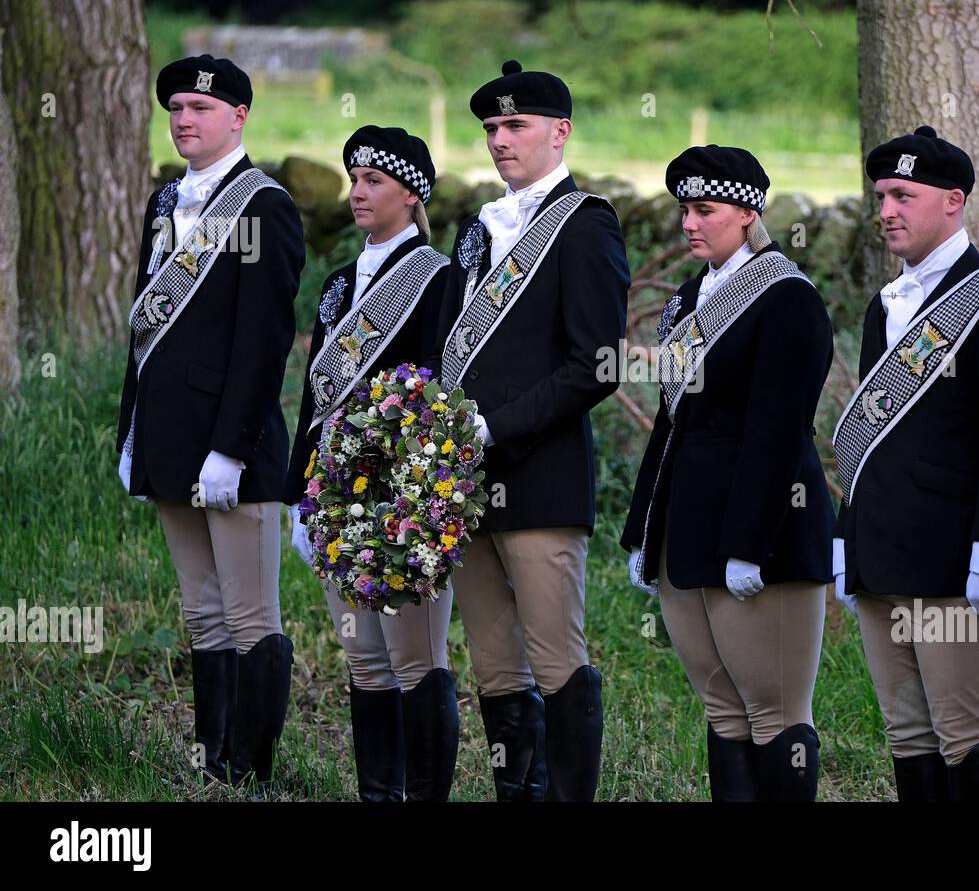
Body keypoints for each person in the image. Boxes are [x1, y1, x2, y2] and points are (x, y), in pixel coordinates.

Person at [427, 60, 630, 801]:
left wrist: (494, 427)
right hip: (467, 481)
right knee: (494, 666)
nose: (500, 141)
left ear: (560, 132)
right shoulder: (480, 228)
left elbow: (597, 364)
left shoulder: (586, 224)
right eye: (490, 128)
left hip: (541, 479)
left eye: (515, 125)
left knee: (554, 662)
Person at [830, 126, 979, 801]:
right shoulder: (885, 306)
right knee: (909, 740)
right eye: (881, 196)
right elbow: (870, 435)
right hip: (879, 555)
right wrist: (846, 536)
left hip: (954, 560)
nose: (886, 210)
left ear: (953, 201)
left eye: (903, 195)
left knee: (967, 742)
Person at [115, 54, 305, 788]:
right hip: (168, 444)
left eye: (200, 107)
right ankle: (213, 762)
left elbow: (264, 344)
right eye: (177, 108)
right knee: (203, 614)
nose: (185, 119)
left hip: (237, 453)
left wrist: (230, 449)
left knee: (252, 619)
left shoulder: (265, 206)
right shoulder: (165, 204)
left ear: (239, 116)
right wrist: (132, 433)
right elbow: (143, 338)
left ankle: (253, 774)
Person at [621, 145, 834, 801]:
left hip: (760, 537)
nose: (689, 222)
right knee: (723, 711)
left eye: (704, 210)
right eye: (683, 209)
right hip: (686, 534)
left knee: (774, 714)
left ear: (747, 213)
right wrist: (642, 530)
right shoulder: (689, 296)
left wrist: (749, 545)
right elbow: (672, 422)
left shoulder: (786, 298)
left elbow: (777, 433)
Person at [283, 125, 456, 801]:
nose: (356, 192)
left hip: (403, 496)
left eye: (373, 181)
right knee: (364, 660)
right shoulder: (337, 284)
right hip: (334, 494)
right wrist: (300, 492)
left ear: (411, 193)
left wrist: (421, 503)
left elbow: (442, 391)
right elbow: (313, 397)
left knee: (415, 660)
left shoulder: (439, 280)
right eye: (353, 178)